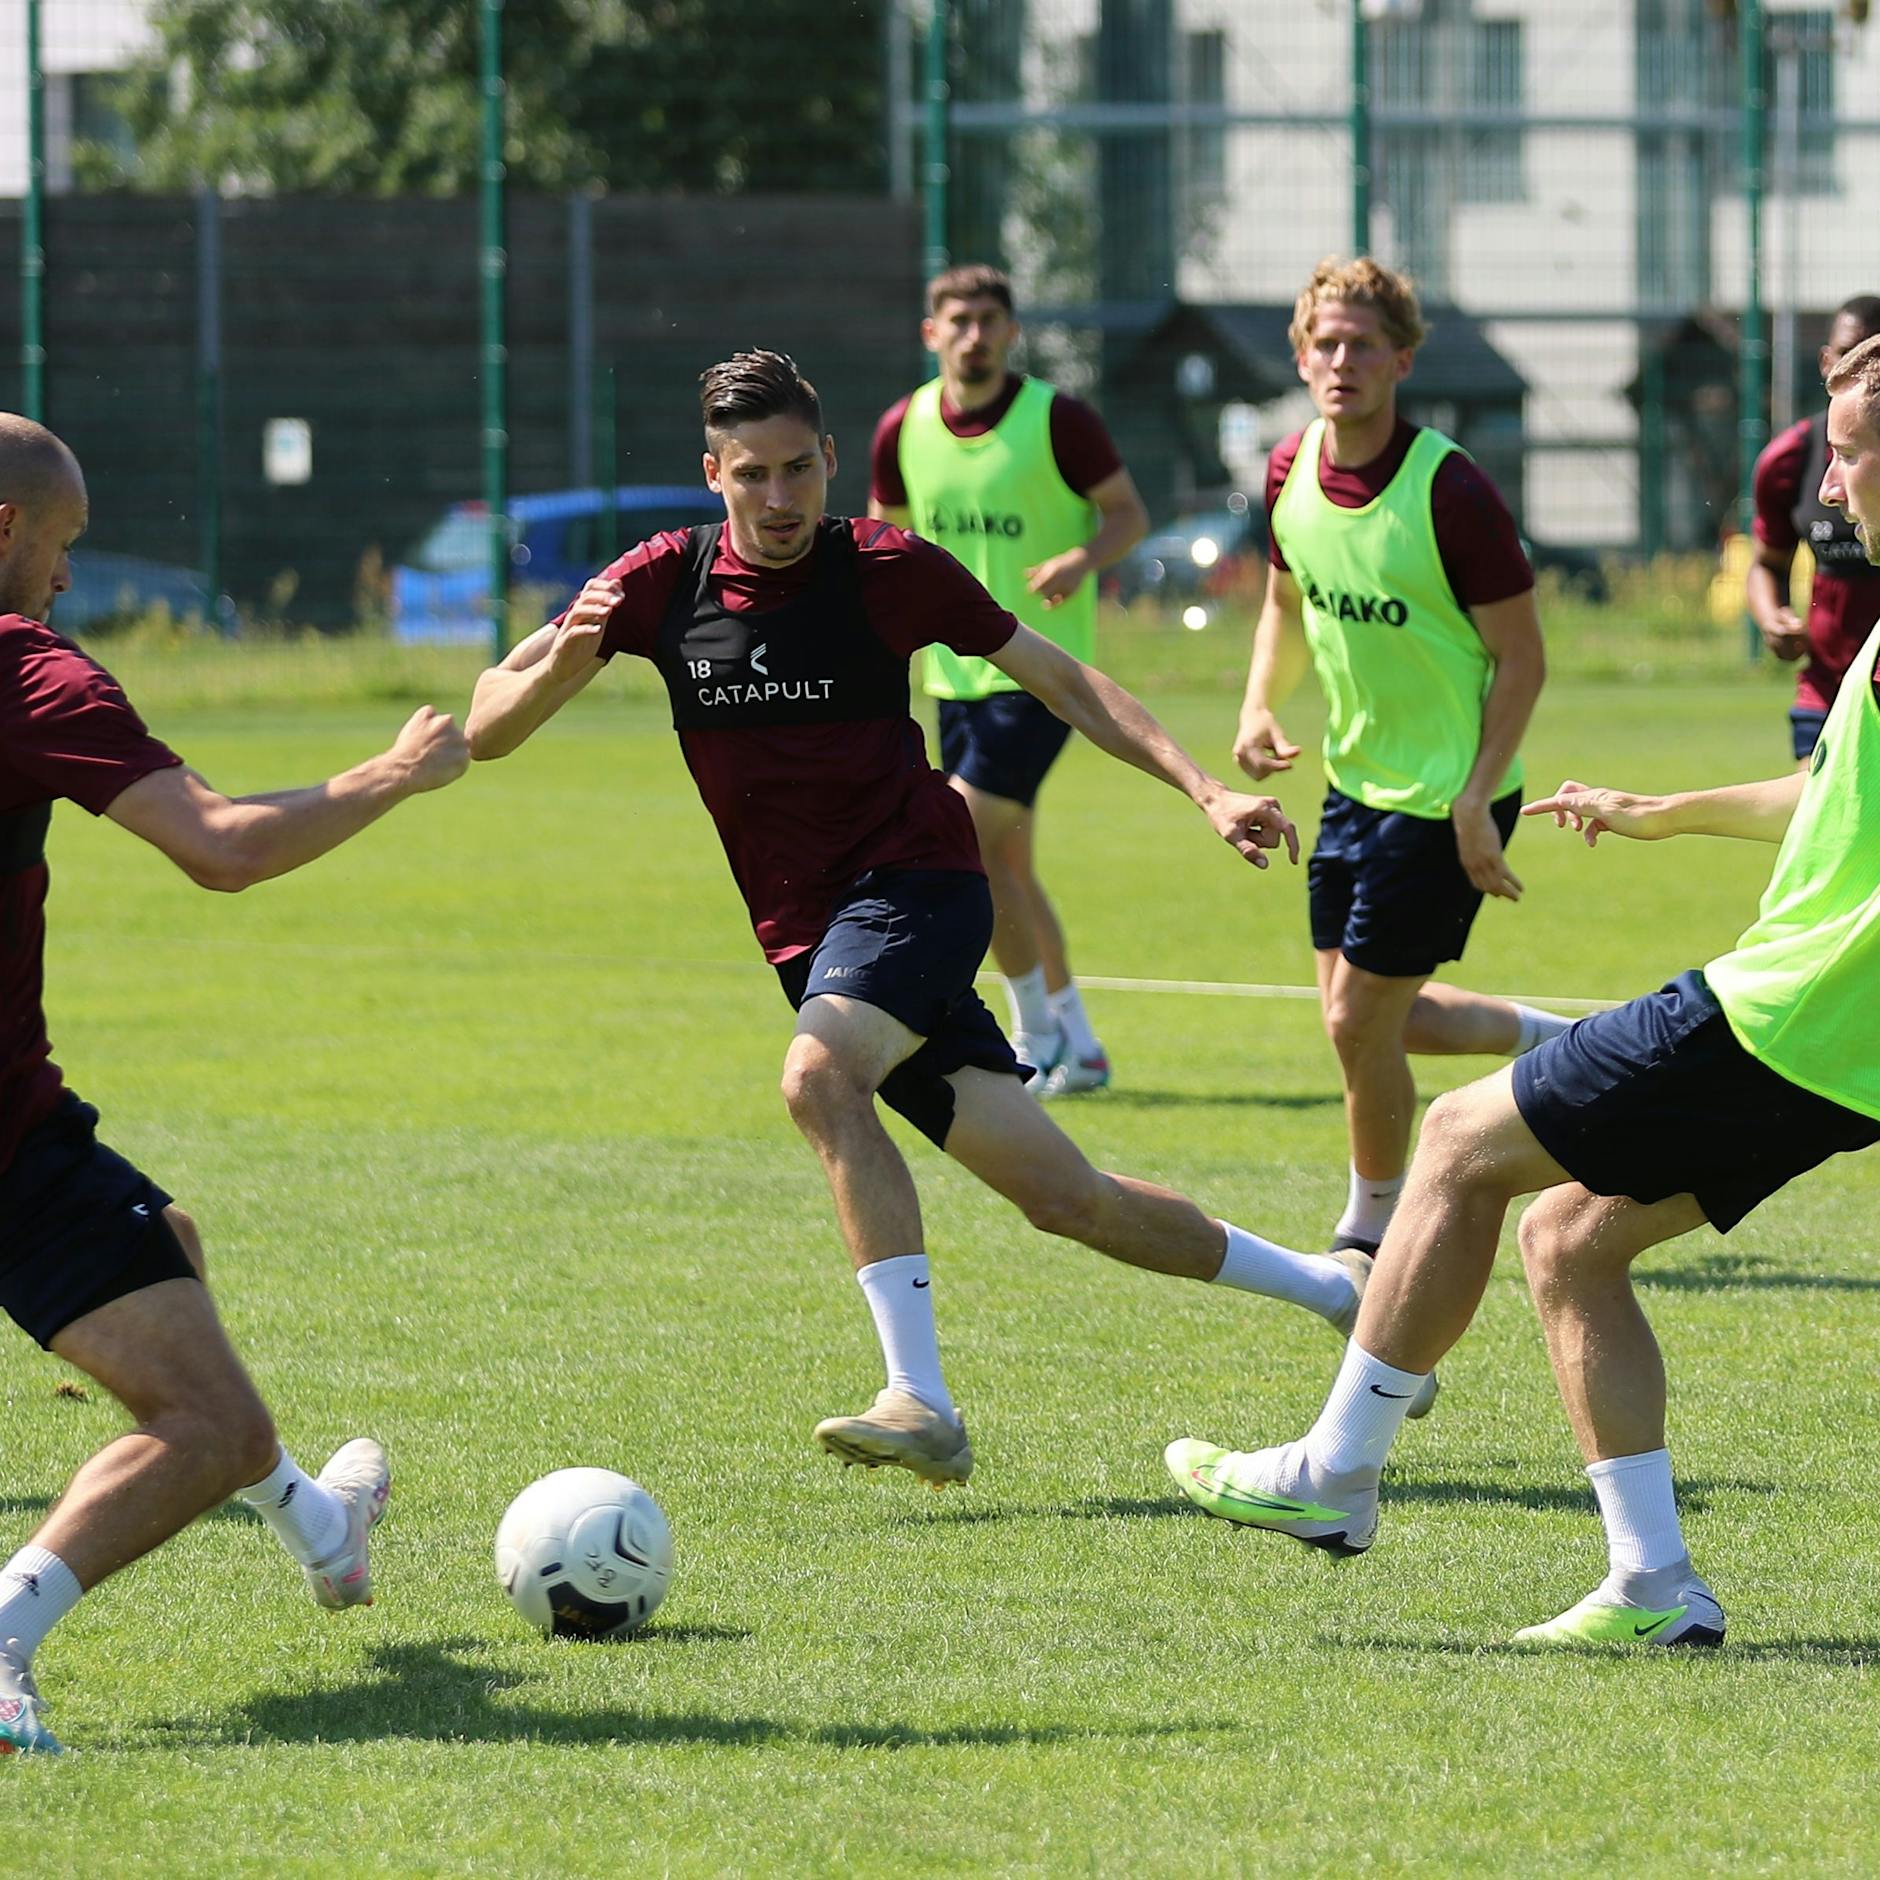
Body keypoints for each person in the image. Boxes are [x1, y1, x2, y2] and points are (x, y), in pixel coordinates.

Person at [467, 350, 1434, 1495]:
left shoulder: (884, 568)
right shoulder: (654, 583)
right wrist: (562, 662)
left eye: (796, 471)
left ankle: (917, 1397)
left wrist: (1204, 788)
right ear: (711, 475)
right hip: (811, 938)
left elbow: (1061, 678)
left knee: (816, 1081)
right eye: (750, 478)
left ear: (830, 461)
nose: (778, 502)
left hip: (918, 885)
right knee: (1069, 1201)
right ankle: (1339, 1290)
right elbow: (487, 726)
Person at [1162, 334, 1880, 1650]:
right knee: (1569, 1237)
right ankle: (1655, 1587)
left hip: (1791, 1016)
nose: (1828, 491)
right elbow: (1830, 792)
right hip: (1843, 1050)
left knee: (1456, 1139)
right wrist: (1663, 814)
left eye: (1846, 453)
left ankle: (1334, 1472)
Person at [0, 415, 469, 1754]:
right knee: (203, 1420)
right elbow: (221, 847)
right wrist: (391, 772)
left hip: (22, 1134)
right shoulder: (28, 674)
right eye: (63, 548)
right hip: (5, 1139)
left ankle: (325, 1530)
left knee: (171, 1253)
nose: (68, 583)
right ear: (2, 531)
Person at [1233, 256, 1561, 1259]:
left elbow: (1521, 655)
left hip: (1444, 797)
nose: (1339, 360)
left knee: (1351, 1022)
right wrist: (1255, 701)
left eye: (1360, 344)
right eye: (1323, 343)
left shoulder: (1447, 489)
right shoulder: (1288, 470)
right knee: (1373, 1017)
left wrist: (1473, 798)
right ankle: (1564, 1051)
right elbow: (1286, 604)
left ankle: (1368, 1232)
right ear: (1298, 356)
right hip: (1353, 784)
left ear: (1400, 359)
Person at [869, 264, 1149, 1094]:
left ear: (1012, 330)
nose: (974, 334)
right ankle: (1080, 1043)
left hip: (1039, 679)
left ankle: (1034, 1036)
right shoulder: (903, 428)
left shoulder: (1057, 420)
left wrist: (1083, 557)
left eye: (990, 319)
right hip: (953, 684)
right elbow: (887, 553)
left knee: (961, 836)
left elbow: (1128, 513)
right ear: (931, 333)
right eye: (957, 319)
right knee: (1004, 865)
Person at [1747, 294, 1880, 765]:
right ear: (1827, 361)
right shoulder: (1791, 459)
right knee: (1821, 817)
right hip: (1830, 688)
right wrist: (1772, 617)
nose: (1831, 492)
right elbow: (1766, 562)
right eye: (1850, 350)